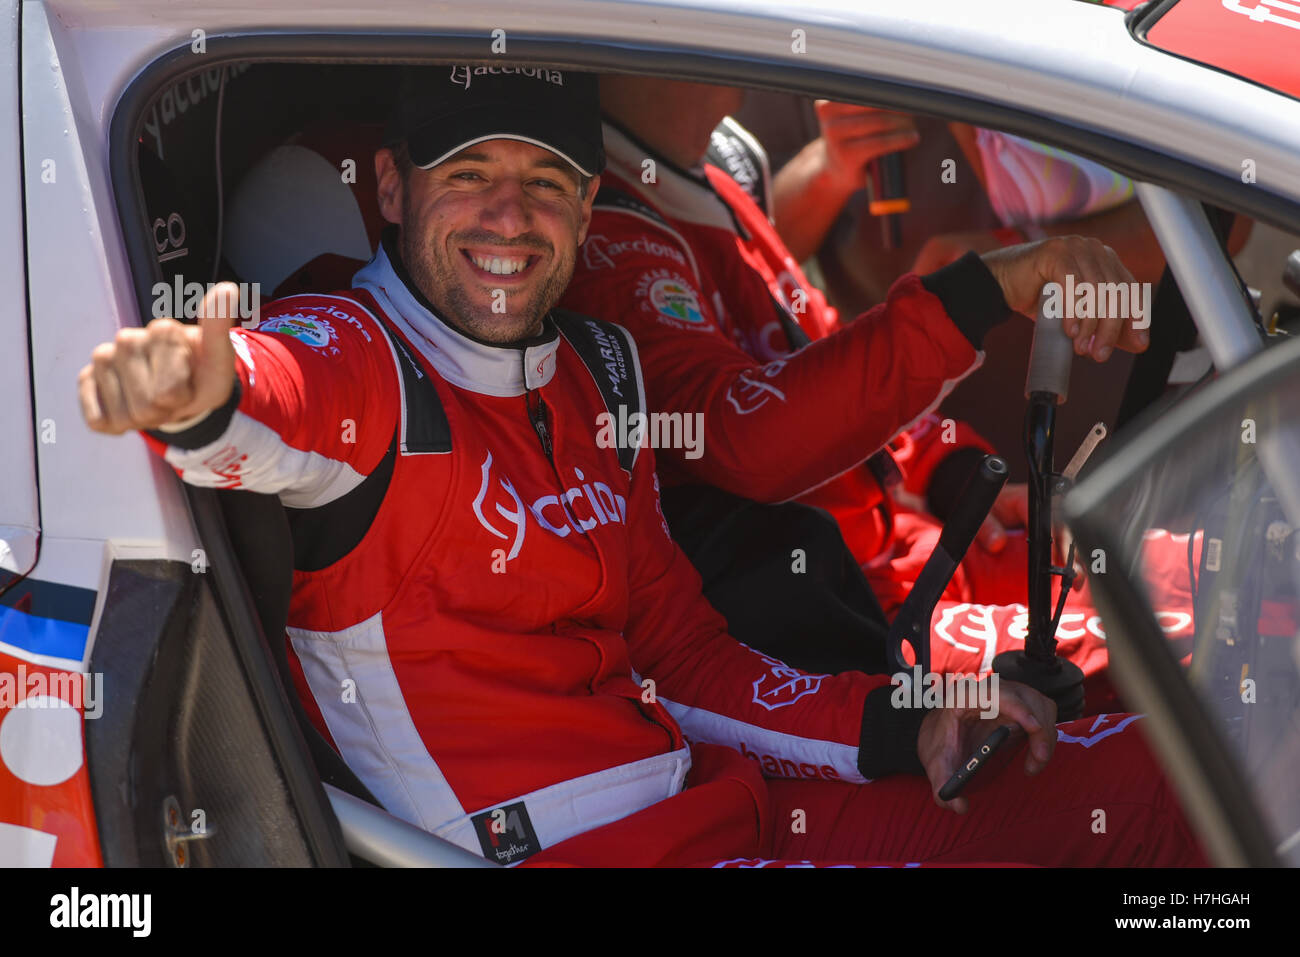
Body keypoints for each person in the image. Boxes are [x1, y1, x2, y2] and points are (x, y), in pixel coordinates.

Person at [78, 66, 1205, 867]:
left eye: (547, 181)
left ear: (583, 208)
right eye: (468, 175)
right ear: (390, 188)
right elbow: (274, 402)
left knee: (1175, 786)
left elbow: (686, 662)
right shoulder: (358, 357)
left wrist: (906, 722)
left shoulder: (597, 370)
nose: (509, 215)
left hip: (726, 810)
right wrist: (190, 393)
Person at [561, 78, 1199, 713]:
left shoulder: (714, 170)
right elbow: (742, 438)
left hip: (921, 547)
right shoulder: (606, 226)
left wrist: (960, 479)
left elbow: (819, 351)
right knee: (1187, 650)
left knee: (1218, 576)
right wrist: (983, 291)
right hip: (856, 619)